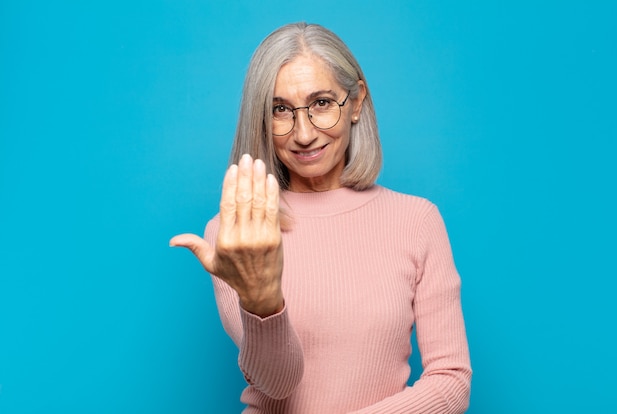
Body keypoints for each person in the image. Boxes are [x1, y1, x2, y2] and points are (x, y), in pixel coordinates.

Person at [170, 22, 472, 413]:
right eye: (280, 110)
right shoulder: (236, 233)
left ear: (357, 102)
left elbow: (450, 385)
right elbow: (276, 384)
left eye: (322, 104)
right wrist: (262, 300)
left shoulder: (416, 220)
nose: (304, 133)